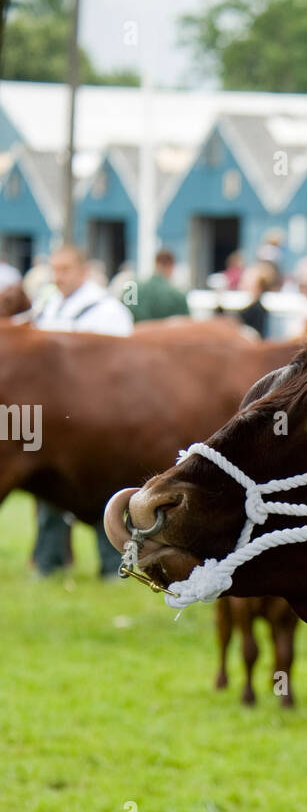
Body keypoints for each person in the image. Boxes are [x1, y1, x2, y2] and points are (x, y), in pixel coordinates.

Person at [33, 244, 133, 577]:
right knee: (51, 488)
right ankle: (49, 561)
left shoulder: (107, 312)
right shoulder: (47, 306)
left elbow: (119, 367)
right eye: (54, 269)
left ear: (83, 270)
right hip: (55, 418)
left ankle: (112, 565)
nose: (57, 277)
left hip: (96, 421)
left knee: (100, 488)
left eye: (64, 269)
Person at [130, 249, 189, 323]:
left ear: (155, 264)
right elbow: (185, 326)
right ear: (171, 266)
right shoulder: (177, 296)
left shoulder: (133, 291)